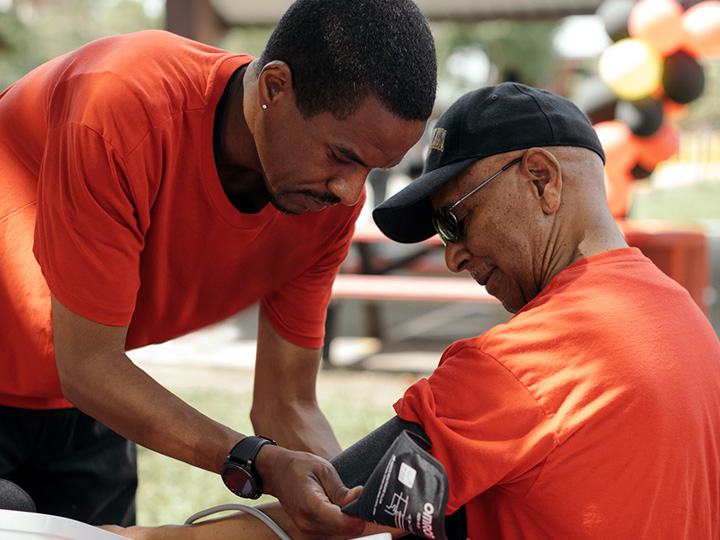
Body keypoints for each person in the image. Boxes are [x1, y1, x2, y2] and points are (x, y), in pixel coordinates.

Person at [108, 83, 719, 539]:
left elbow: (315, 518)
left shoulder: (529, 359)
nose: (453, 256)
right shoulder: (689, 322)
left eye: (455, 219)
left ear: (540, 180)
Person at [0, 0, 437, 534]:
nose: (351, 192)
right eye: (342, 156)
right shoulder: (121, 102)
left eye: (372, 169)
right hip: (83, 372)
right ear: (275, 87)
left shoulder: (324, 205)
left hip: (87, 406)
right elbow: (87, 365)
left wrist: (350, 505)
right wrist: (254, 458)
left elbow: (287, 403)